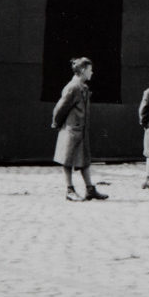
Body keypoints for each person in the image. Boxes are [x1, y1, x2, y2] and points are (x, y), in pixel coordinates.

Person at [52, 57, 108, 201]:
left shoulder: (83, 87)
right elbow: (60, 108)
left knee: (84, 160)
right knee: (67, 160)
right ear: (83, 70)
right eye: (90, 70)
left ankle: (90, 189)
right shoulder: (72, 87)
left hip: (80, 131)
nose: (92, 72)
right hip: (71, 130)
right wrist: (56, 123)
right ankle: (69, 190)